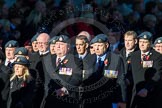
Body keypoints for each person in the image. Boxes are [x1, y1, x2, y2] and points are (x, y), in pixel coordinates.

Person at [82, 34, 126, 108]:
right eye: (95, 45)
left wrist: (122, 100)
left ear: (106, 45)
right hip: (90, 101)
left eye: (99, 45)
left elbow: (120, 81)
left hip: (108, 101)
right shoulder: (88, 59)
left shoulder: (115, 59)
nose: (97, 48)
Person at [41, 35, 82, 108]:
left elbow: (76, 78)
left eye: (61, 44)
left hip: (66, 100)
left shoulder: (75, 61)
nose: (58, 46)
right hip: (49, 100)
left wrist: (65, 90)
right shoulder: (47, 60)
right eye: (57, 44)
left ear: (68, 47)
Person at [130, 31, 162, 108]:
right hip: (135, 93)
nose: (142, 44)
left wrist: (147, 88)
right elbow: (131, 72)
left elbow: (157, 74)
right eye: (140, 41)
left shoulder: (157, 56)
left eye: (145, 42)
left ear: (150, 43)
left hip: (150, 93)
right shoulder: (134, 55)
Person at [120, 31, 139, 108]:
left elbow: (140, 72)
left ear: (135, 41)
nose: (127, 43)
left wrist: (130, 80)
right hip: (120, 88)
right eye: (125, 40)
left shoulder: (140, 54)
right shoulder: (120, 53)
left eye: (130, 40)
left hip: (133, 88)